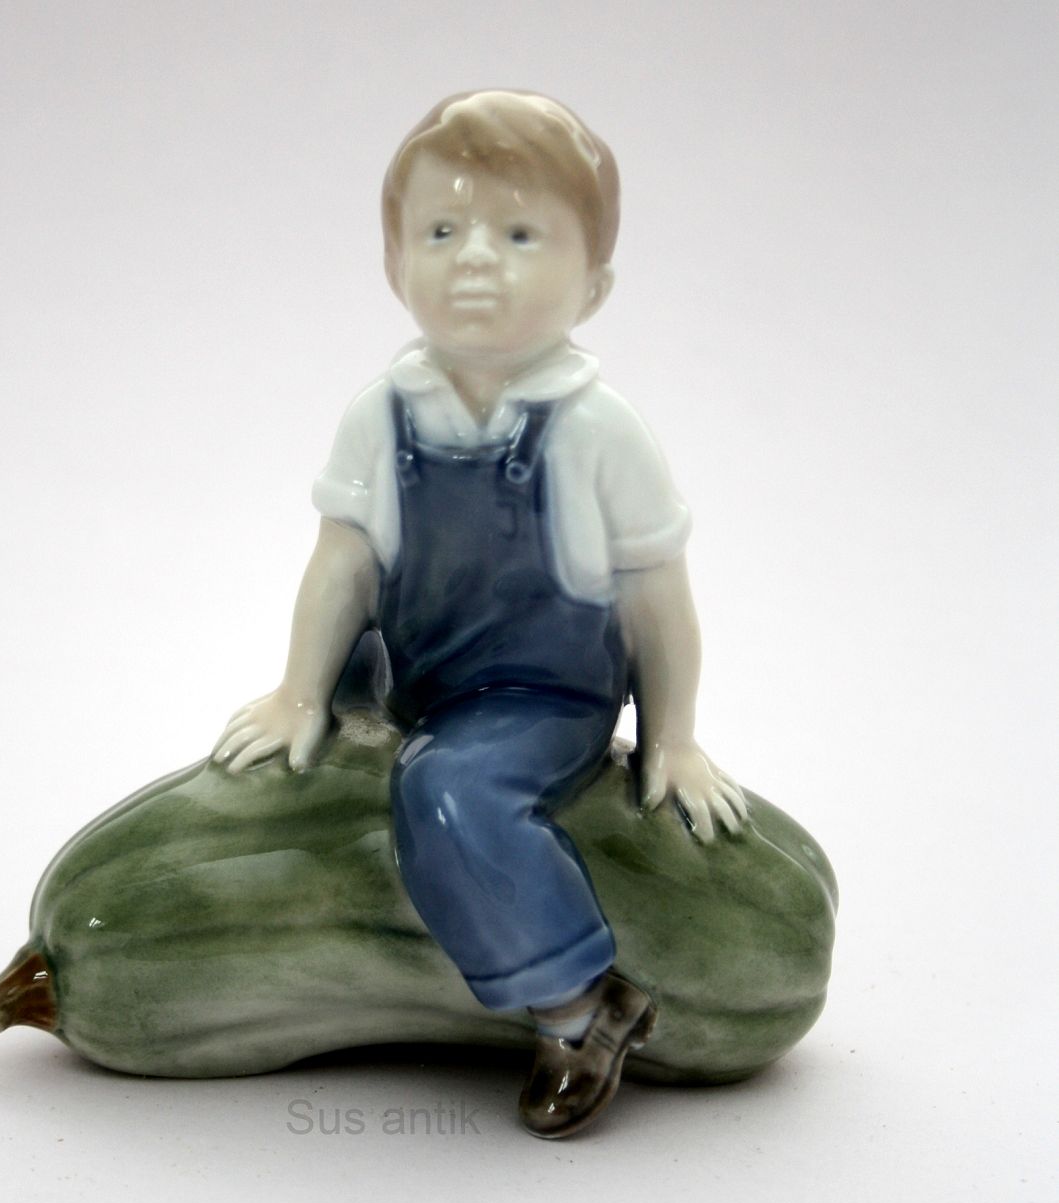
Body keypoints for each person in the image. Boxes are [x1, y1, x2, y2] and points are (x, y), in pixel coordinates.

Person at [213, 90, 746, 1139]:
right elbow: (341, 568)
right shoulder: (382, 414)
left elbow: (657, 602)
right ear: (393, 263)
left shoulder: (596, 431)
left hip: (537, 690)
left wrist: (673, 739)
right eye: (441, 231)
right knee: (310, 717)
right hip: (413, 662)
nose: (473, 260)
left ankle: (581, 1006)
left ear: (593, 285)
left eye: (518, 235)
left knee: (445, 786)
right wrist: (300, 695)